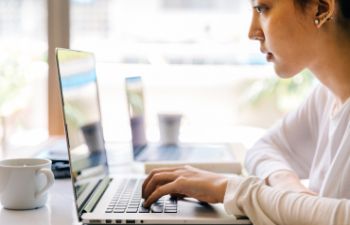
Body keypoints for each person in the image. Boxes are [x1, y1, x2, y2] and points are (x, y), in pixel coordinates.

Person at [142, 0, 350, 224]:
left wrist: (232, 189)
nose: (252, 32)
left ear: (320, 8)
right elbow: (264, 148)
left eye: (262, 9)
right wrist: (290, 191)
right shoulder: (325, 97)